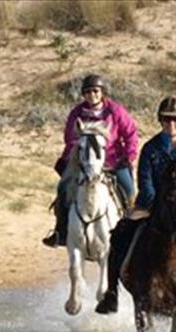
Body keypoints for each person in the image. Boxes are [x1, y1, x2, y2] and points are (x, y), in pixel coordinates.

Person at [94, 96, 176, 319]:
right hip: (151, 205)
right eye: (168, 120)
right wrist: (157, 204)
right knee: (121, 232)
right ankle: (111, 293)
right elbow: (145, 180)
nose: (172, 124)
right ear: (161, 121)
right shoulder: (151, 148)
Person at [43, 73, 138, 247]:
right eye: (87, 92)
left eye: (95, 91)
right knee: (63, 189)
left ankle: (130, 234)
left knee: (130, 192)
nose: (92, 95)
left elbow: (130, 133)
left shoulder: (115, 111)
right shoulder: (77, 113)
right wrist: (72, 157)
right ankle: (61, 231)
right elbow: (70, 137)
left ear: (102, 92)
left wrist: (129, 156)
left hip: (112, 161)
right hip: (84, 162)